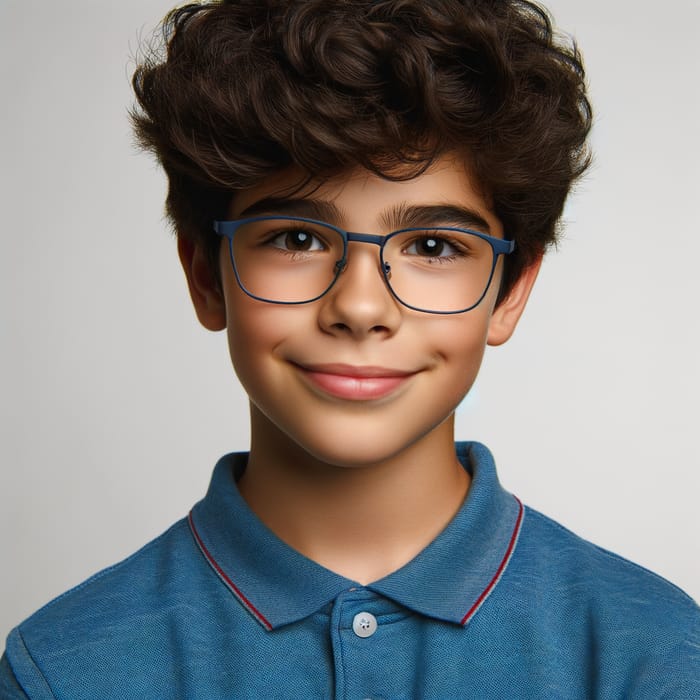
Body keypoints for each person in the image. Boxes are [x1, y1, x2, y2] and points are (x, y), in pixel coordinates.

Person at [1, 0, 698, 697]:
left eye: (432, 246)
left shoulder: (655, 656)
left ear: (510, 291)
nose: (361, 308)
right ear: (203, 274)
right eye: (297, 238)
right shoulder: (60, 672)